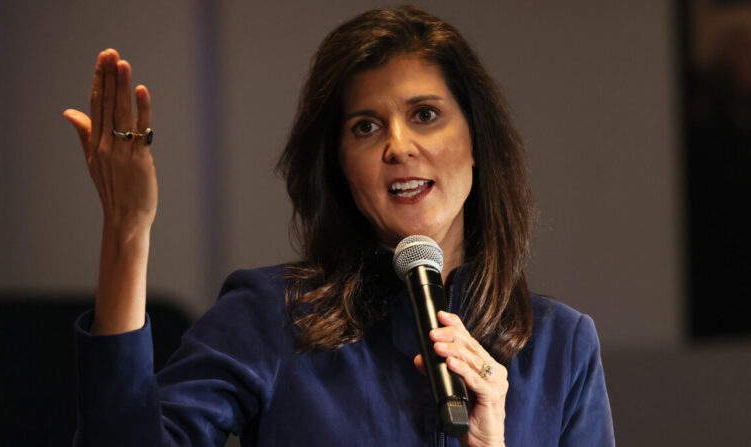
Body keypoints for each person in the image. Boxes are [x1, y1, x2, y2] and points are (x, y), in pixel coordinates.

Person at [63, 6, 614, 447]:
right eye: (366, 126)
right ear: (341, 167)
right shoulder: (271, 316)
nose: (398, 146)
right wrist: (127, 231)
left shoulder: (561, 346)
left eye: (425, 114)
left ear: (476, 145)